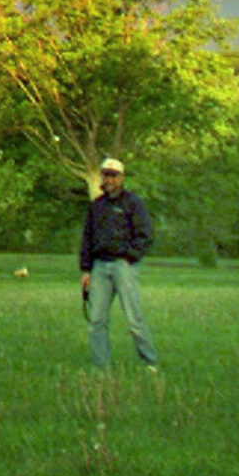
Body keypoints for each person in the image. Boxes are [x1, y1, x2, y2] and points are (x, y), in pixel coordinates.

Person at [78, 156, 159, 370]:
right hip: (99, 268)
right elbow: (87, 238)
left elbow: (145, 235)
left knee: (134, 319)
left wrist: (130, 257)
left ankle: (150, 362)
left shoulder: (133, 203)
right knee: (96, 321)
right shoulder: (96, 206)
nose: (110, 179)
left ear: (122, 178)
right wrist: (85, 269)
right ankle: (101, 367)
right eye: (106, 174)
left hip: (124, 267)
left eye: (114, 175)